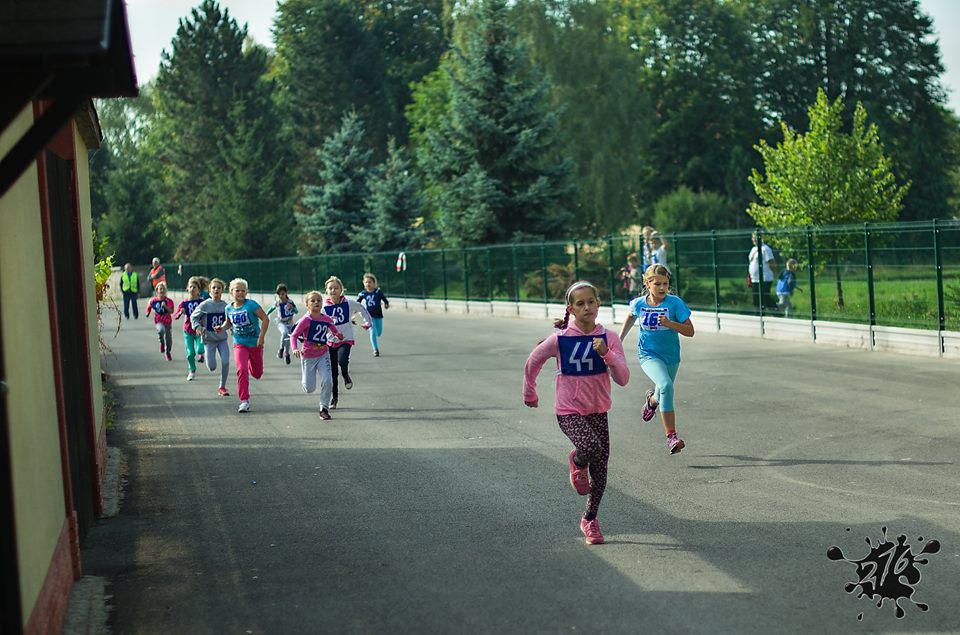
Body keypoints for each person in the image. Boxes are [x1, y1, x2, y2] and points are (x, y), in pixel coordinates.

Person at [523, 281, 630, 545]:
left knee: (601, 470)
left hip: (598, 410)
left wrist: (607, 354)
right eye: (580, 304)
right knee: (590, 447)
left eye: (591, 302)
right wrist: (530, 392)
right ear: (571, 309)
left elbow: (623, 379)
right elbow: (534, 360)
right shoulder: (561, 339)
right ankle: (577, 461)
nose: (587, 307)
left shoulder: (609, 338)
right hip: (569, 410)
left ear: (598, 304)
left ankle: (590, 519)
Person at [619, 264, 695, 455]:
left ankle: (652, 401)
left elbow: (690, 331)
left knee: (663, 390)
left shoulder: (675, 303)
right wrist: (618, 341)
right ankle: (672, 437)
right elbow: (631, 317)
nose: (662, 288)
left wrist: (670, 323)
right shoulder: (639, 304)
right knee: (666, 385)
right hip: (648, 354)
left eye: (665, 284)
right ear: (647, 284)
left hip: (671, 356)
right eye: (657, 284)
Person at [290, 291, 344, 420]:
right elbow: (294, 335)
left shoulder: (326, 319)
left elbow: (334, 329)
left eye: (319, 300)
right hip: (308, 356)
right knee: (309, 388)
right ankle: (305, 380)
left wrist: (338, 335)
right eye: (313, 300)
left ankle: (323, 408)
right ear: (307, 304)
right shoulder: (305, 320)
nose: (316, 302)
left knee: (328, 380)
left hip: (323, 354)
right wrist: (295, 348)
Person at [219, 278, 269, 413]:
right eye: (237, 290)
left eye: (243, 290)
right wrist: (221, 328)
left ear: (246, 292)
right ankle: (244, 401)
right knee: (241, 369)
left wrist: (261, 337)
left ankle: (251, 365)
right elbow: (228, 323)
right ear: (231, 292)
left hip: (255, 343)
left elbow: (265, 319)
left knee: (257, 373)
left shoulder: (251, 305)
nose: (240, 293)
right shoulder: (228, 308)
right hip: (239, 343)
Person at [323, 276, 372, 409]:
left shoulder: (349, 303)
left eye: (336, 288)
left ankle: (345, 374)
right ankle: (334, 398)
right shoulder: (324, 307)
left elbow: (362, 308)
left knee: (342, 360)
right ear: (326, 291)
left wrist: (368, 322)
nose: (333, 290)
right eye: (330, 288)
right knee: (333, 373)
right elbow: (313, 319)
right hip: (330, 341)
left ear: (341, 290)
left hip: (345, 339)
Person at [190, 278, 230, 397]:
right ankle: (208, 360)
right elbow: (193, 317)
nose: (216, 289)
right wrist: (197, 327)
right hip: (209, 340)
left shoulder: (225, 306)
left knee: (226, 361)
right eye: (214, 287)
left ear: (222, 290)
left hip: (222, 339)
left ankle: (222, 387)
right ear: (209, 290)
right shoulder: (205, 305)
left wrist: (233, 330)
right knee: (212, 367)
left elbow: (230, 321)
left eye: (219, 288)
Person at [173, 277, 205, 381]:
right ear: (187, 288)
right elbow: (175, 315)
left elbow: (208, 313)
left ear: (198, 290)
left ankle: (202, 354)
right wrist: (180, 312)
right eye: (190, 287)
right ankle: (192, 370)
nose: (192, 289)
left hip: (199, 330)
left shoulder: (202, 302)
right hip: (188, 331)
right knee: (190, 353)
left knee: (200, 349)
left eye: (194, 287)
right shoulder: (184, 303)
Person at [356, 273, 390, 357]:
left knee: (378, 332)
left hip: (378, 314)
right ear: (364, 283)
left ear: (374, 283)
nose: (368, 284)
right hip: (369, 315)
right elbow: (358, 302)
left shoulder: (378, 292)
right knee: (372, 331)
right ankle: (375, 349)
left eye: (370, 282)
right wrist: (356, 309)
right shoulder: (363, 293)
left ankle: (376, 340)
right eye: (366, 282)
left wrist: (386, 304)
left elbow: (384, 299)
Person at [266, 283, 298, 364]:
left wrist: (292, 308)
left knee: (288, 339)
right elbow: (271, 308)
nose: (281, 296)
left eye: (283, 294)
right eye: (279, 294)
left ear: (286, 293)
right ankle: (281, 349)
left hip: (290, 322)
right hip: (281, 322)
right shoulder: (278, 302)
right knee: (284, 333)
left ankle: (287, 354)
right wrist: (266, 314)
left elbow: (296, 311)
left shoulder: (290, 302)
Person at [748, 232, 778, 311]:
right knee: (756, 299)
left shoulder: (766, 249)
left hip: (765, 278)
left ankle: (777, 313)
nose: (753, 239)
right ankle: (759, 315)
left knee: (765, 297)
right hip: (754, 279)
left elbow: (771, 262)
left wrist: (775, 273)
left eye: (755, 237)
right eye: (753, 237)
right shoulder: (753, 249)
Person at [146, 281, 174, 362]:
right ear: (157, 290)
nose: (162, 290)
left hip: (167, 322)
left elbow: (171, 311)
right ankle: (162, 342)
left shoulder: (169, 301)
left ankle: (167, 352)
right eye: (160, 289)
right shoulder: (153, 300)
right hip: (159, 321)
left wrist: (165, 306)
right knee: (161, 330)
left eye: (163, 289)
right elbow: (149, 306)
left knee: (169, 340)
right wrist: (148, 313)